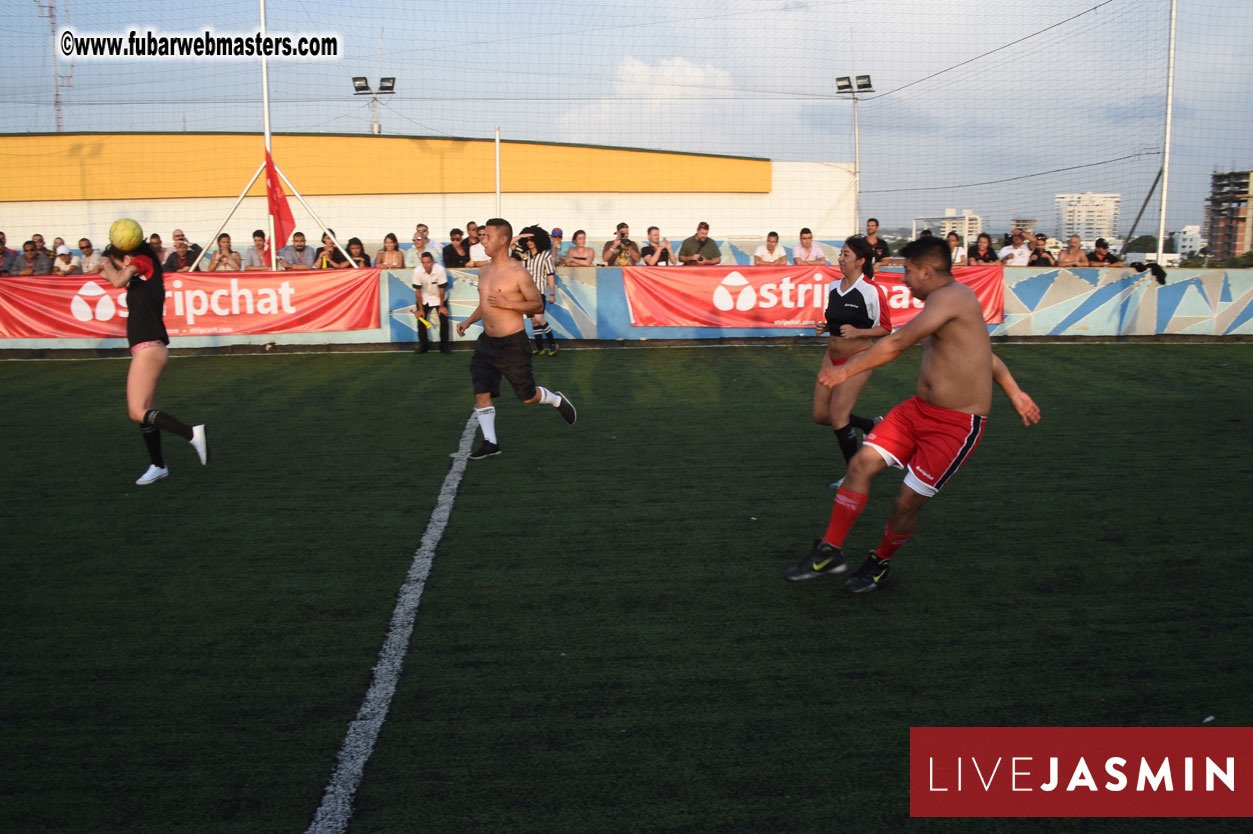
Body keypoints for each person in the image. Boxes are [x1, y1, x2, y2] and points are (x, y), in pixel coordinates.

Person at [785, 236, 1040, 592]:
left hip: (956, 426)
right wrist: (1015, 392)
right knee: (859, 465)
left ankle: (879, 562)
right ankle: (830, 550)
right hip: (916, 411)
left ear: (926, 271)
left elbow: (895, 342)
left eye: (906, 271)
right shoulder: (943, 302)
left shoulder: (953, 297)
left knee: (906, 504)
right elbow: (986, 356)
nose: (903, 278)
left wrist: (844, 371)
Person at [456, 217, 577, 460]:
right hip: (486, 342)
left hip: (512, 343)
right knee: (481, 390)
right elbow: (486, 304)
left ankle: (555, 399)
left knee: (527, 397)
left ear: (503, 240)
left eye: (487, 236)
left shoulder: (517, 272)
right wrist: (469, 321)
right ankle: (491, 442)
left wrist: (508, 303)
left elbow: (536, 304)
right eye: (481, 236)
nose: (483, 240)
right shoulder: (483, 271)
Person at [98, 236, 208, 486]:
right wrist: (107, 264)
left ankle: (192, 433)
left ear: (128, 259)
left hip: (149, 348)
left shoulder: (143, 261)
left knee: (136, 411)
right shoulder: (139, 277)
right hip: (147, 348)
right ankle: (158, 465)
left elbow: (115, 279)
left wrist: (106, 262)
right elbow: (110, 275)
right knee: (144, 412)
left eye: (120, 262)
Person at [812, 235, 892, 479]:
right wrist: (826, 328)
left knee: (838, 416)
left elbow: (886, 328)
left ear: (860, 261)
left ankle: (854, 476)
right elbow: (836, 320)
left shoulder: (871, 291)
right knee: (820, 415)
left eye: (846, 254)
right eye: (841, 254)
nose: (841, 258)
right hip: (831, 356)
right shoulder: (833, 287)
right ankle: (870, 425)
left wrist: (859, 332)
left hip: (858, 357)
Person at [515, 225, 559, 356]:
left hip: (539, 291)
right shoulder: (524, 254)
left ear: (538, 240)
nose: (529, 242)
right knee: (533, 320)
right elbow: (510, 244)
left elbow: (550, 275)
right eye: (527, 240)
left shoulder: (546, 256)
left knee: (539, 318)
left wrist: (552, 293)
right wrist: (521, 236)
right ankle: (539, 347)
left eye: (532, 239)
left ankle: (552, 344)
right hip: (526, 292)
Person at [412, 251, 451, 354]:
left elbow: (442, 289)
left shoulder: (440, 270)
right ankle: (423, 346)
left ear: (433, 262)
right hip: (425, 297)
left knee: (443, 320)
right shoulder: (417, 271)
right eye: (424, 262)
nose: (426, 265)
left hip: (439, 298)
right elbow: (418, 291)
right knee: (421, 320)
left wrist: (442, 306)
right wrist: (420, 309)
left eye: (428, 262)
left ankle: (444, 346)